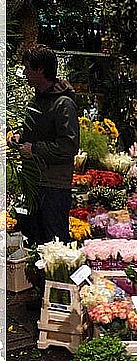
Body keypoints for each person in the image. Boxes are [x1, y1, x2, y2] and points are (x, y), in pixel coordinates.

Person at [14, 45, 79, 244]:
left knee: (55, 243)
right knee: (34, 239)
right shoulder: (36, 101)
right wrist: (18, 136)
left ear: (40, 69)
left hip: (54, 186)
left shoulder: (63, 104)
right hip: (34, 182)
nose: (24, 72)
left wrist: (34, 149)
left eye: (28, 68)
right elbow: (33, 131)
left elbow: (68, 146)